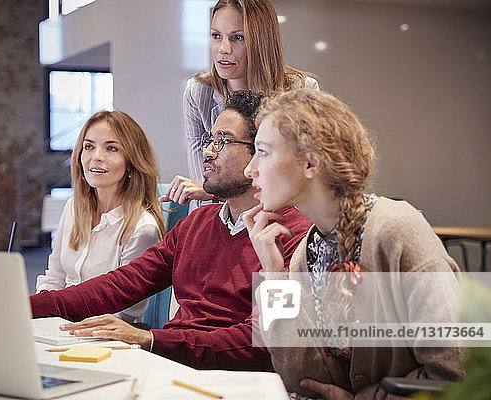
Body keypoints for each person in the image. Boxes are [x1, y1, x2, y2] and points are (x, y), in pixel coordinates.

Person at [30, 90, 313, 370]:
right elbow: (119, 285)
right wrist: (22, 308)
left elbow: (263, 343)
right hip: (171, 365)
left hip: (227, 378)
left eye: (222, 141)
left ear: (261, 154)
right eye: (210, 140)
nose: (207, 151)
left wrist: (151, 340)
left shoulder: (297, 238)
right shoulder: (197, 223)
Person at [243, 89, 464, 399]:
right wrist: (274, 275)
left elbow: (456, 373)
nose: (249, 169)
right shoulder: (305, 254)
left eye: (262, 152)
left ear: (310, 163)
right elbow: (297, 376)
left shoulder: (396, 228)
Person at [161, 0, 319, 211]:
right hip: (220, 217)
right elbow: (202, 182)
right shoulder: (198, 92)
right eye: (216, 36)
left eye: (238, 38)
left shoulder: (300, 91)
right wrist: (210, 191)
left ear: (261, 41)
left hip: (283, 219)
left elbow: (303, 181)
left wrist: (212, 191)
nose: (223, 49)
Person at [35, 111, 165, 324]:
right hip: (61, 324)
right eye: (89, 146)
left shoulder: (142, 229)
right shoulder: (72, 207)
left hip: (106, 337)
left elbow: (124, 313)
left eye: (111, 148)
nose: (96, 156)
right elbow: (55, 277)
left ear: (131, 161)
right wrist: (42, 314)